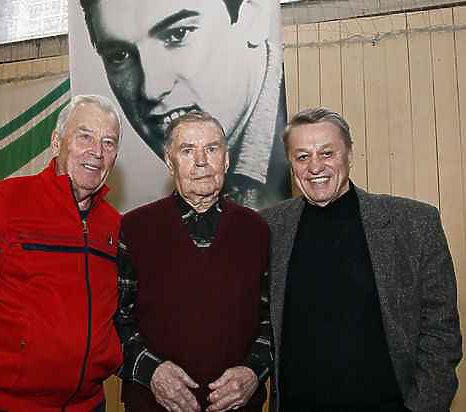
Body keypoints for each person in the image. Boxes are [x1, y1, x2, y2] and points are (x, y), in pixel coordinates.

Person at [0, 95, 124, 412]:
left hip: (88, 405)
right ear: (56, 142)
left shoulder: (114, 225)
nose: (97, 151)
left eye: (108, 143)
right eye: (85, 136)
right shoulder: (0, 203)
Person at [261, 107, 462, 412]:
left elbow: (441, 330)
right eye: (302, 156)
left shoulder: (414, 223)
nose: (315, 166)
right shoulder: (268, 228)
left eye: (327, 153)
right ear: (290, 163)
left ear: (350, 155)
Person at [115, 111, 272, 411]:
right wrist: (152, 373)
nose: (201, 161)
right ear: (169, 161)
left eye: (211, 149)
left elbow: (273, 321)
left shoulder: (257, 230)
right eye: (187, 150)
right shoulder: (134, 228)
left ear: (226, 160)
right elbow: (115, 320)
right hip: (151, 404)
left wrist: (254, 372)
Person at [78, 0, 290, 209]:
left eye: (178, 35)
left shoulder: (297, 168)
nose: (151, 90)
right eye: (118, 56)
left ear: (253, 19)